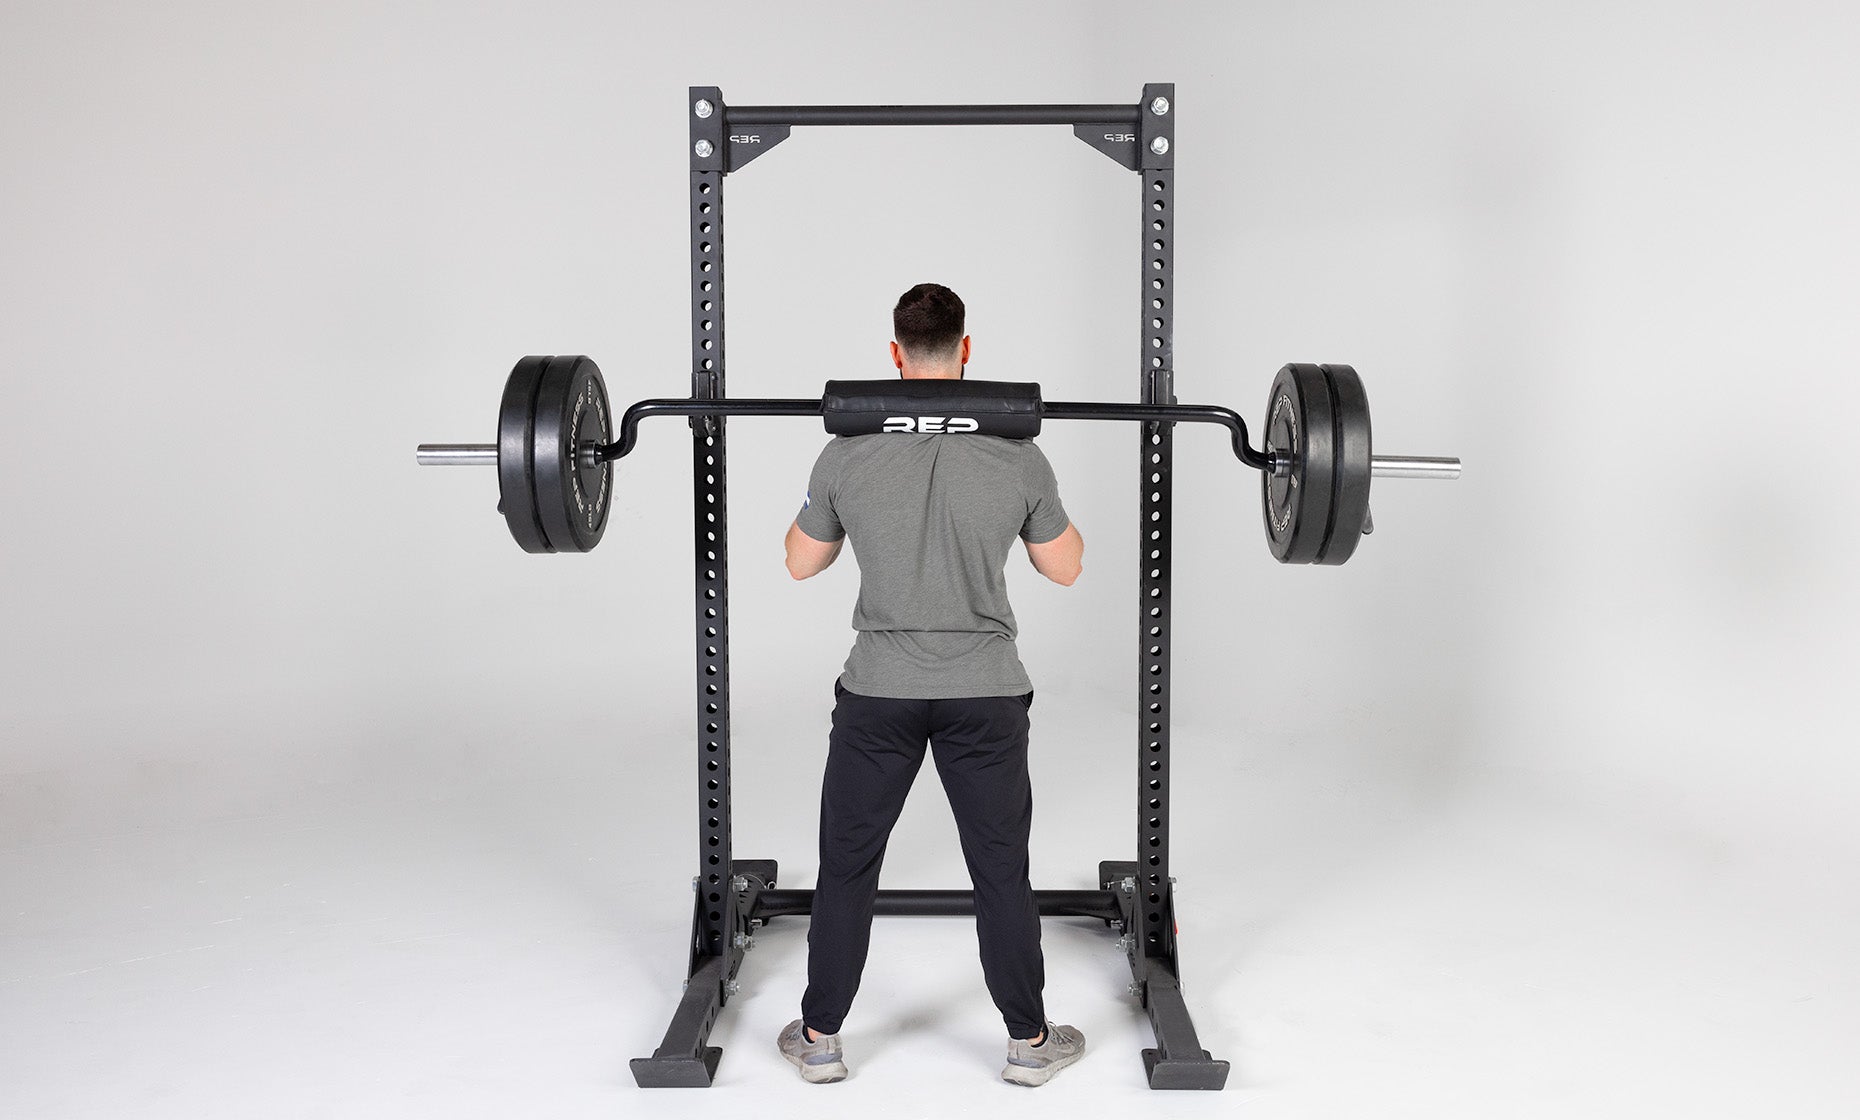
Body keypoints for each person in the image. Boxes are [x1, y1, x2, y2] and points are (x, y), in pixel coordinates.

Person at [776, 283, 1088, 1087]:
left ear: (893, 356)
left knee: (847, 864)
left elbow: (800, 563)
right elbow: (1066, 568)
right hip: (986, 692)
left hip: (878, 690)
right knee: (999, 869)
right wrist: (1032, 508)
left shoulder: (844, 451)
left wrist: (825, 503)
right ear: (966, 351)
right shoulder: (1019, 453)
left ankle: (818, 1040)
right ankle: (1027, 1044)